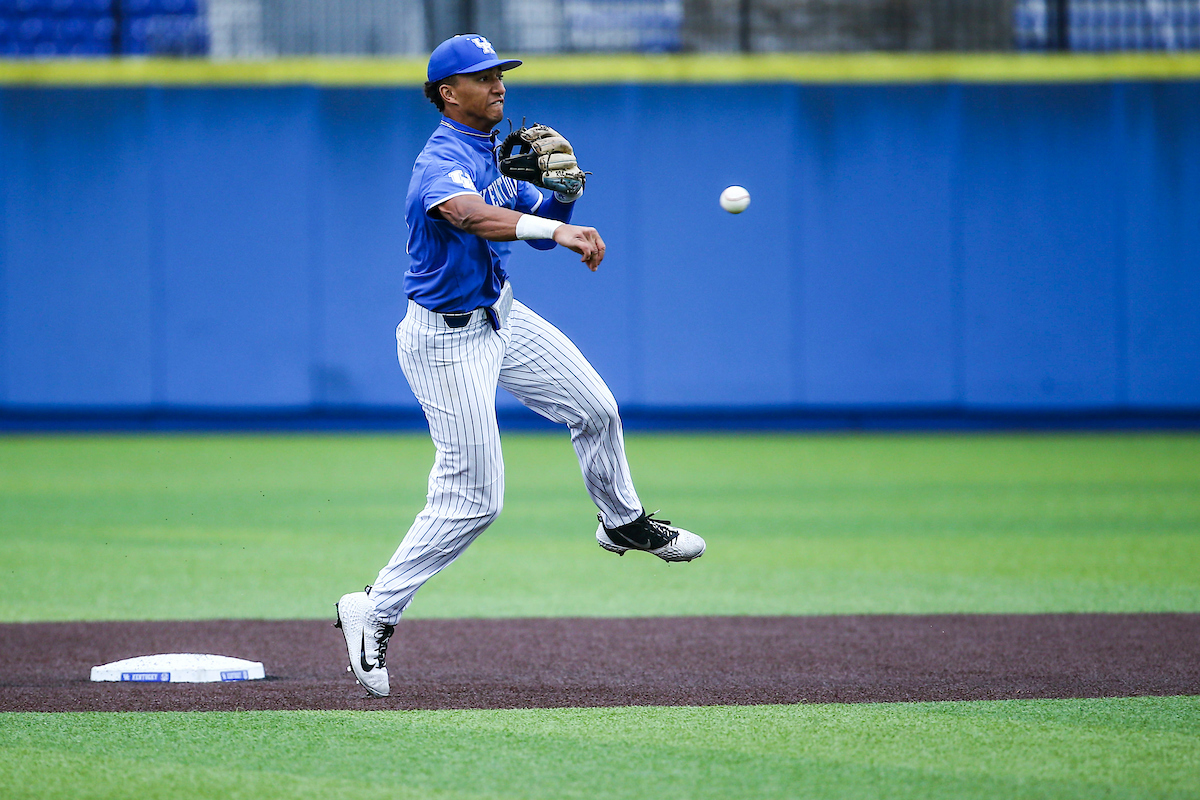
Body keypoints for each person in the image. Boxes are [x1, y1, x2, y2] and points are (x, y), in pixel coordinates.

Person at [335, 34, 705, 698]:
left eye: (501, 73)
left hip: (500, 315)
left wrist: (561, 196)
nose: (499, 84)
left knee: (596, 409)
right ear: (449, 94)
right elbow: (471, 215)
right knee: (475, 499)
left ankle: (621, 520)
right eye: (482, 77)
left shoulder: (493, 152)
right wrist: (558, 231)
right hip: (445, 341)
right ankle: (375, 608)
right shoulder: (440, 161)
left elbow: (534, 213)